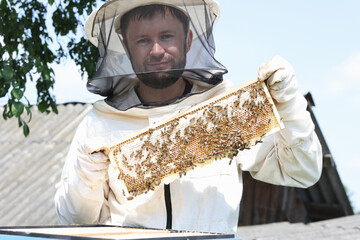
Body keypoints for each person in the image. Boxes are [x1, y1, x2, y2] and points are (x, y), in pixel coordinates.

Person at [55, 0, 322, 235]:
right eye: (143, 40)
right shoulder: (99, 124)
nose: (157, 50)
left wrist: (289, 104)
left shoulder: (225, 110)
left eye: (167, 36)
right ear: (126, 46)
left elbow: (302, 171)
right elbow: (76, 219)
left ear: (188, 39)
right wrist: (86, 173)